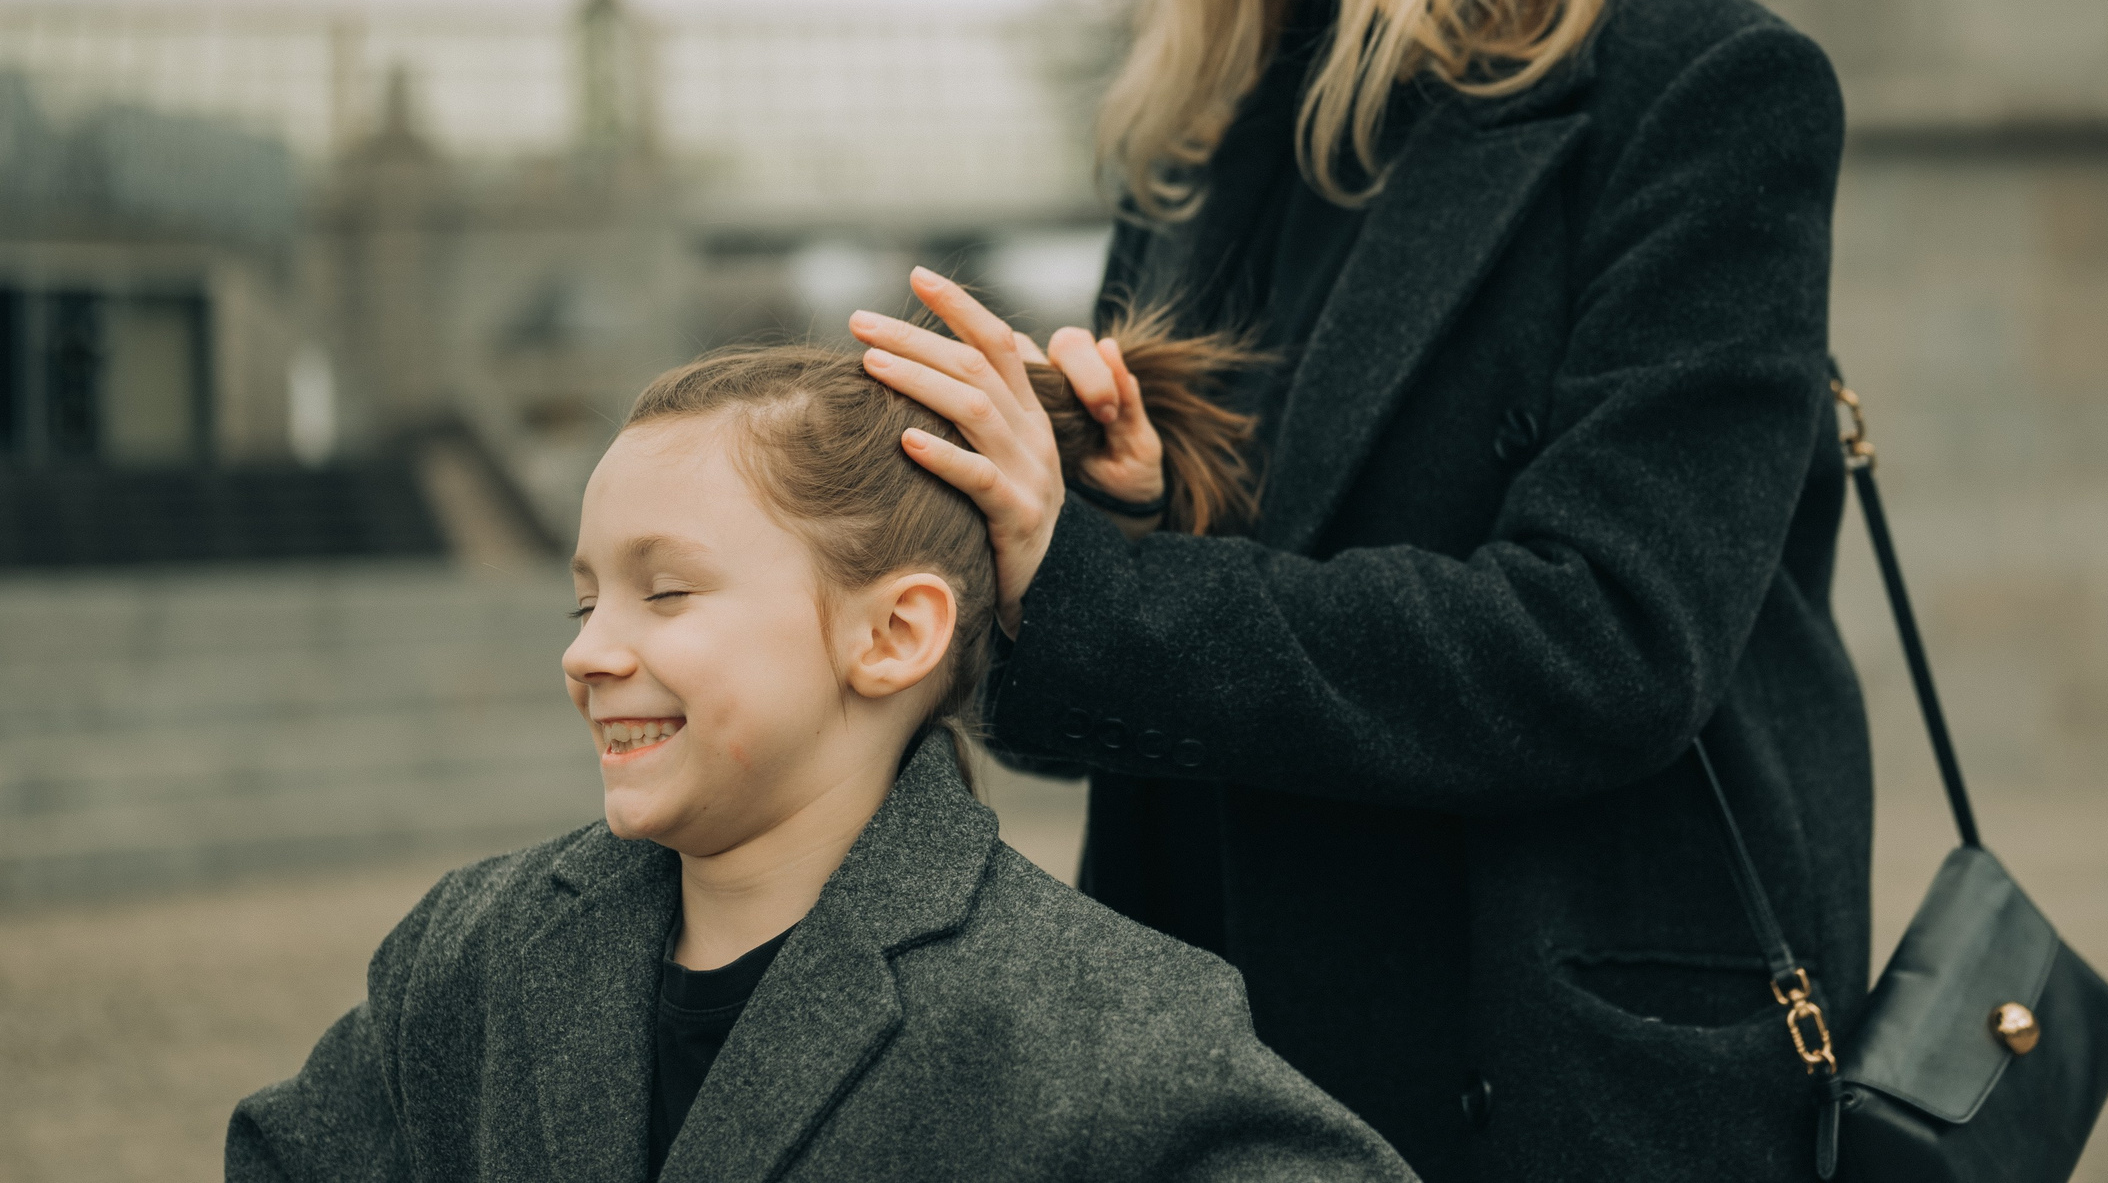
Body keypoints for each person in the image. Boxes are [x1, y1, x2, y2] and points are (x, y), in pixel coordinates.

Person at [847, 0, 1874, 1178]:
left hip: (1566, 1084)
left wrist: (1104, 586)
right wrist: (1102, 511)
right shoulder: (1196, 150)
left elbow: (1610, 641)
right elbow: (1104, 686)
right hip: (1227, 1075)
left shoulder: (1699, 95)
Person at [226, 334, 1415, 1183]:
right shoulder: (468, 949)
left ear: (893, 634)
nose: (590, 651)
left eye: (666, 590)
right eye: (581, 601)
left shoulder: (1106, 1027)